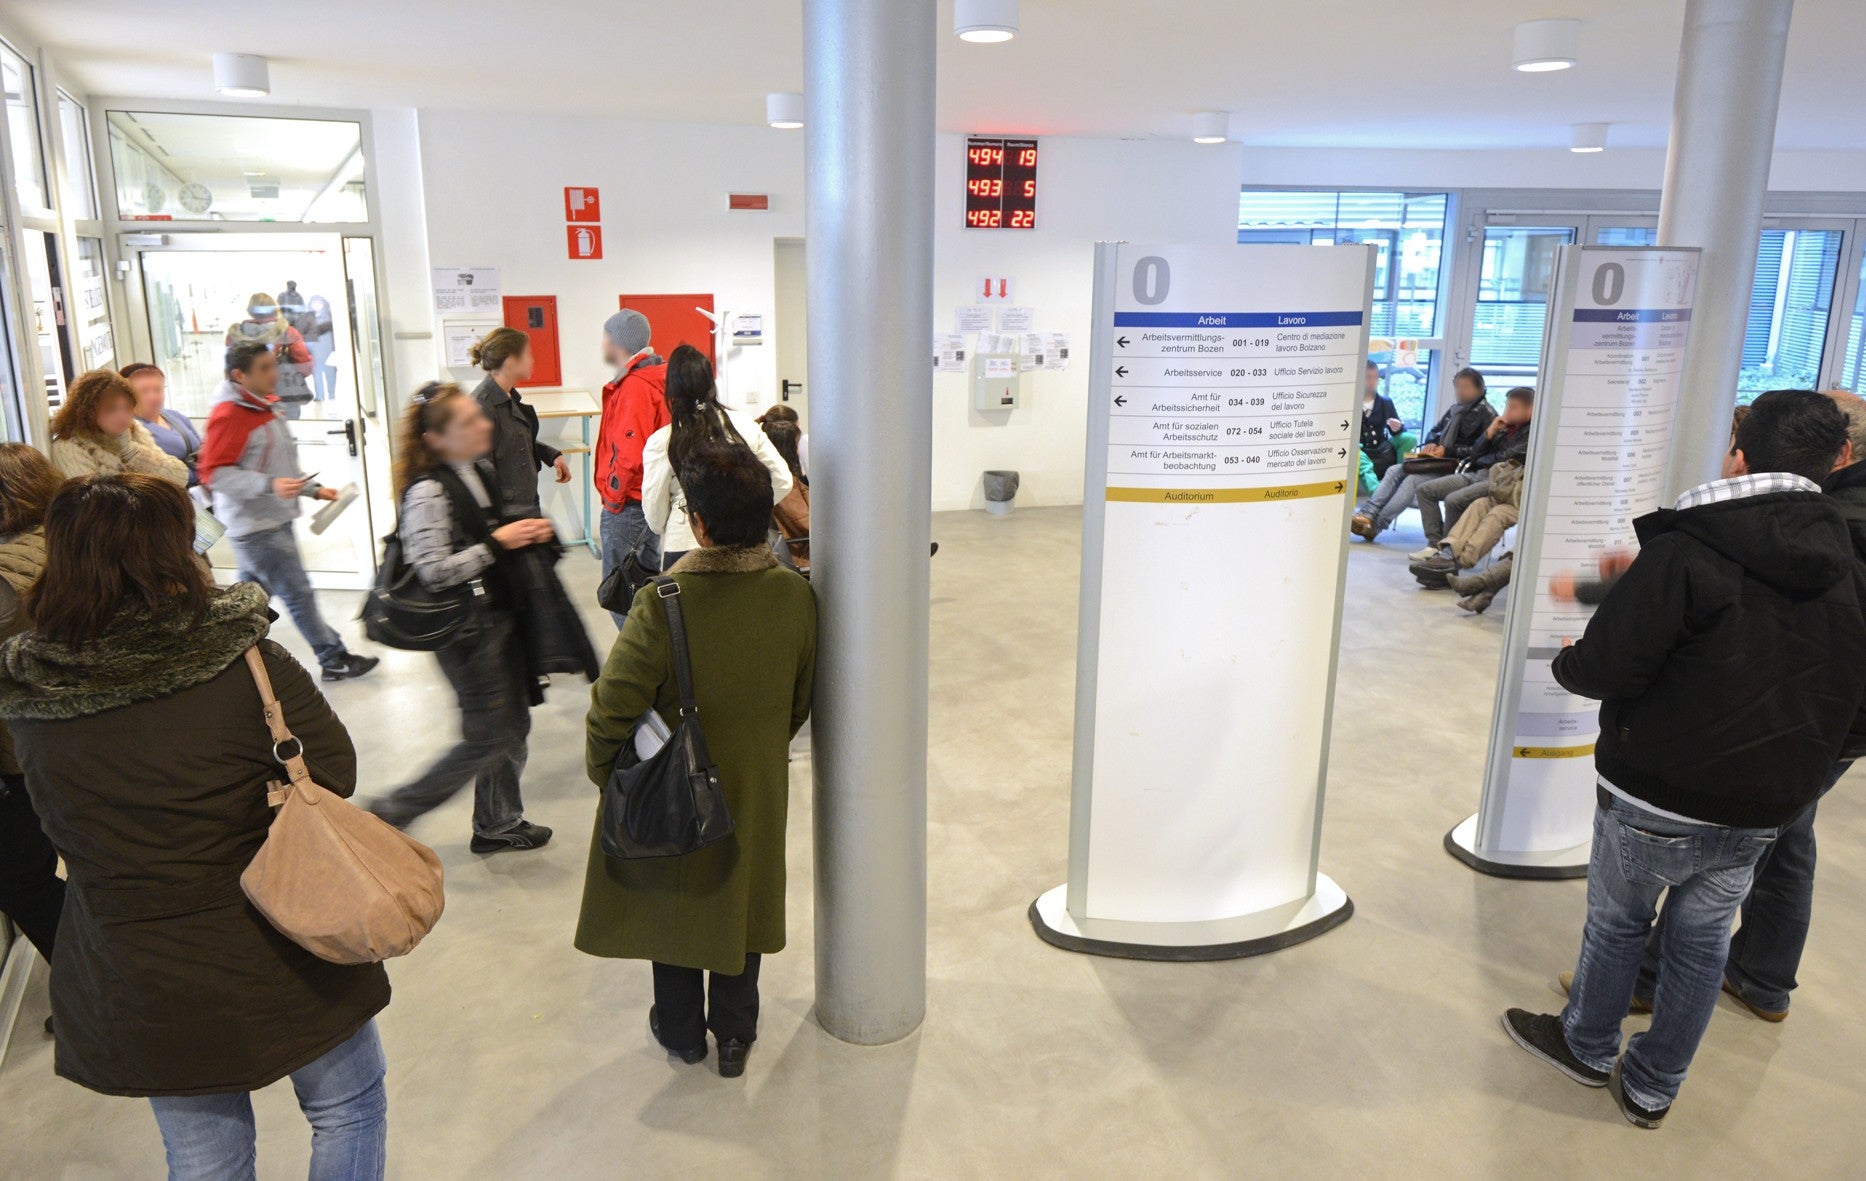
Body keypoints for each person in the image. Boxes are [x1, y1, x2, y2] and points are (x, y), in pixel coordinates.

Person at [0, 473, 390, 1179]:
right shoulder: (243, 660)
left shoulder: (29, 690)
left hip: (133, 955)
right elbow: (331, 771)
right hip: (281, 930)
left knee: (206, 1153)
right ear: (172, 549)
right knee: (348, 1106)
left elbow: (51, 816)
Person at [1503, 389, 1866, 1130]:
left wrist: (1572, 665)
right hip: (1765, 802)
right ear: (1836, 461)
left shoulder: (1688, 547)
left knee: (1618, 924)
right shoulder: (1847, 559)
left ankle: (1586, 1045)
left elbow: (1608, 665)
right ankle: (1653, 1084)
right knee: (1702, 941)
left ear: (1738, 455)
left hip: (1657, 790)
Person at [577, 441, 817, 1079]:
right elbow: (800, 699)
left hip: (677, 779)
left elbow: (613, 708)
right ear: (765, 516)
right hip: (758, 784)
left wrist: (612, 775)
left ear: (699, 523)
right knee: (745, 901)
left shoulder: (665, 601)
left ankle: (681, 1031)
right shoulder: (795, 597)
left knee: (678, 897)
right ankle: (736, 1036)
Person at [365, 383, 559, 854]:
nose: (484, 424)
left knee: (511, 725)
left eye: (479, 416)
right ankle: (391, 812)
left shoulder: (471, 469)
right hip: (467, 632)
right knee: (487, 735)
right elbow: (433, 572)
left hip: (492, 617)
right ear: (436, 439)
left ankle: (497, 822)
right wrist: (499, 544)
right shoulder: (430, 490)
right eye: (468, 421)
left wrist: (517, 536)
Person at [198, 340, 379, 681]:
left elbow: (277, 463)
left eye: (273, 364)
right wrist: (269, 486)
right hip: (256, 526)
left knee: (249, 603)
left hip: (269, 519)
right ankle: (332, 657)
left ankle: (227, 660)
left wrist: (312, 490)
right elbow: (214, 473)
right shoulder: (230, 414)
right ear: (240, 375)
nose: (275, 373)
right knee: (297, 593)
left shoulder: (260, 404)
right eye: (264, 368)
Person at [0, 445, 66, 971]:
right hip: (88, 729)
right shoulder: (72, 540)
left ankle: (87, 978)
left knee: (21, 878)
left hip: (23, 748)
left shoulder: (6, 575)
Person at [642, 345, 793, 571]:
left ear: (671, 390)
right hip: (745, 544)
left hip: (684, 547)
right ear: (711, 382)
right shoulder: (744, 426)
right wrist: (746, 510)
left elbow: (654, 518)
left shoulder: (661, 441)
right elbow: (783, 480)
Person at [1351, 368, 1495, 542]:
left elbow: (1481, 450)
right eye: (1457, 387)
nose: (1460, 391)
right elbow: (1435, 430)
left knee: (1412, 480)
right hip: (1439, 460)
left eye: (1465, 387)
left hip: (1459, 467)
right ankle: (1367, 514)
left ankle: (1376, 525)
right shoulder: (1455, 409)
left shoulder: (1487, 414)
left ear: (1479, 389)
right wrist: (1432, 443)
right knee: (1394, 470)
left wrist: (1447, 450)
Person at [595, 309, 670, 625]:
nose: (603, 343)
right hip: (649, 501)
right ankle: (655, 661)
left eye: (605, 336)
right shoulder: (660, 377)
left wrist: (613, 498)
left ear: (616, 342)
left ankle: (637, 666)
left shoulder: (635, 386)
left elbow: (628, 452)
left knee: (622, 597)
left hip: (628, 506)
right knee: (644, 590)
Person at [1410, 385, 1534, 568]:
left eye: (1513, 407)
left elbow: (1502, 458)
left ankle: (1452, 561)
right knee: (1425, 489)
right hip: (1478, 472)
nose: (1507, 411)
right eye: (1507, 405)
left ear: (1530, 410)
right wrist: (1489, 433)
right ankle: (1441, 549)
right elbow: (1476, 454)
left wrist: (1482, 458)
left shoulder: (1533, 433)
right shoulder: (1504, 427)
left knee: (1455, 500)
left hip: (1500, 483)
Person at [469, 326, 572, 517]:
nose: (532, 360)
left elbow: (513, 439)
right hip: (507, 515)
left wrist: (551, 455)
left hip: (525, 503)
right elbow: (481, 473)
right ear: (511, 361)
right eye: (528, 354)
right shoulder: (481, 406)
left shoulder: (507, 396)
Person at [48, 369, 189, 486]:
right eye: (111, 409)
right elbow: (92, 504)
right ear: (88, 411)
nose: (122, 416)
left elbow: (180, 477)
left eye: (127, 408)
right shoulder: (68, 447)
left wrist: (131, 451)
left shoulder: (133, 431)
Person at [122, 362, 203, 487]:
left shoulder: (174, 416)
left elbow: (203, 447)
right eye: (144, 391)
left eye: (158, 389)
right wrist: (199, 474)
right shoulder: (129, 430)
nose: (153, 397)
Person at [760, 414, 810, 570]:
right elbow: (806, 522)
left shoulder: (769, 478)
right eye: (796, 443)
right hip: (800, 554)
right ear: (789, 447)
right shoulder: (784, 483)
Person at [1360, 360, 1405, 479]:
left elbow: (1399, 430)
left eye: (1375, 377)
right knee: (1360, 457)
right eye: (1368, 377)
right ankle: (1376, 493)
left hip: (1381, 452)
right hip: (1360, 452)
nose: (1372, 382)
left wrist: (1397, 427)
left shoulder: (1386, 403)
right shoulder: (1350, 403)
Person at [304, 294, 339, 402]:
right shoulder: (308, 319)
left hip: (328, 350)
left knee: (330, 374)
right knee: (317, 374)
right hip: (314, 351)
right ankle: (319, 395)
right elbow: (306, 337)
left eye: (319, 302)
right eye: (314, 303)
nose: (317, 305)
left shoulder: (330, 317)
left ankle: (332, 394)